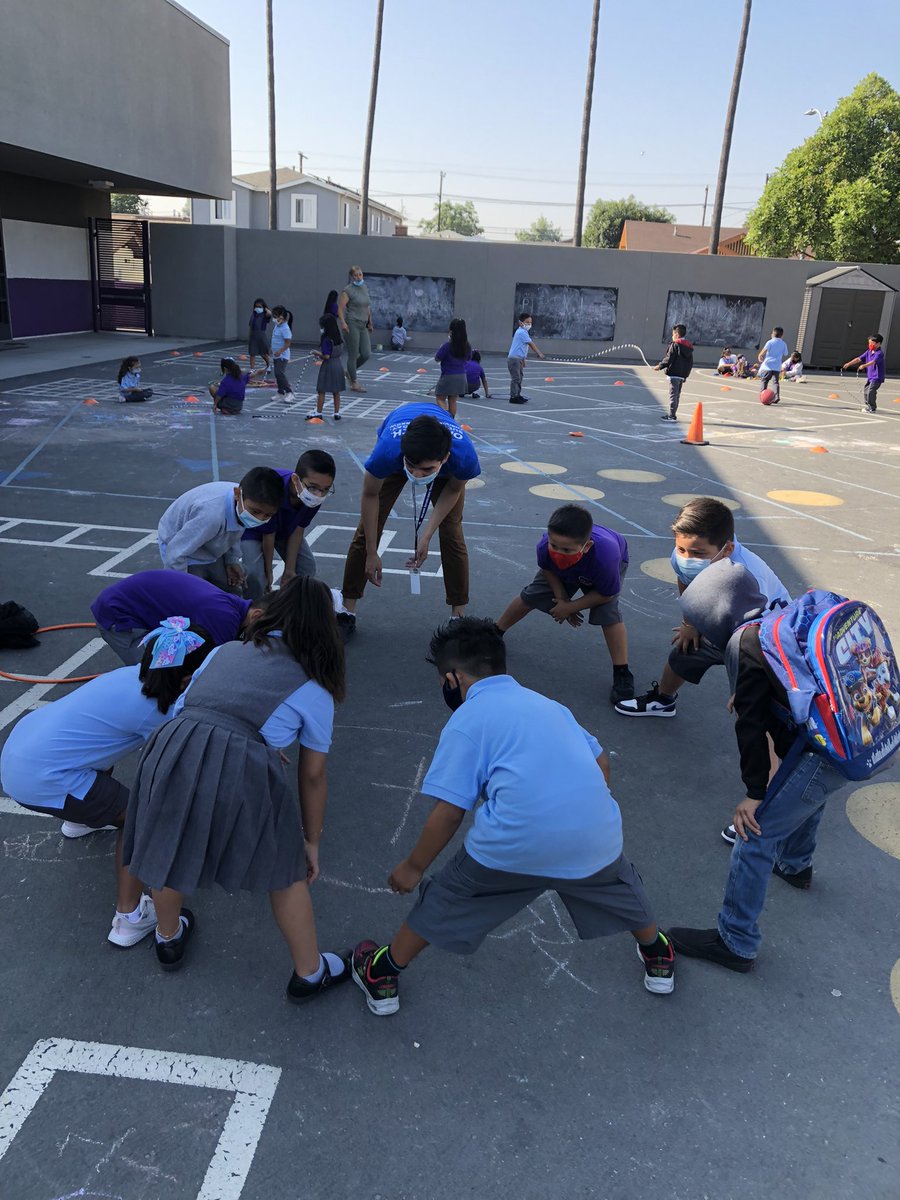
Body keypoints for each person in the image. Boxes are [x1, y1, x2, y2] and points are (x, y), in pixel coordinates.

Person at [350, 618, 675, 1016]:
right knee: (620, 887)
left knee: (447, 896)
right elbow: (601, 761)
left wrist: (413, 866)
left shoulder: (467, 720)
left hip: (511, 846)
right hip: (594, 838)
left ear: (453, 679)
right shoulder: (549, 706)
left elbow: (450, 811)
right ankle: (658, 954)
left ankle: (382, 973)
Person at [122, 578, 351, 996]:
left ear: (273, 612)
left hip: (172, 746)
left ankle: (168, 937)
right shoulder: (314, 685)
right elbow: (313, 774)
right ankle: (309, 972)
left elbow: (189, 707)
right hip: (240, 764)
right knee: (286, 869)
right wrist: (312, 841)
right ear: (325, 628)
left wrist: (246, 737)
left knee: (167, 843)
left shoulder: (226, 649)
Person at [667, 562, 846, 973]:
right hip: (843, 742)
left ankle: (736, 941)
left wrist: (755, 793)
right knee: (806, 794)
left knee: (754, 834)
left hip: (821, 753)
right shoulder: (779, 618)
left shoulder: (744, 645)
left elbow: (749, 727)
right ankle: (796, 866)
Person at [0, 618, 213, 944]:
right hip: (42, 778)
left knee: (99, 749)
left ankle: (80, 818)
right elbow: (176, 769)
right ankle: (129, 918)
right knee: (138, 817)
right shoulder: (161, 711)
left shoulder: (130, 675)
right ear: (186, 679)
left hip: (22, 751)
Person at [615, 496, 790, 721]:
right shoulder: (685, 553)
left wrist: (746, 685)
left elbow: (753, 636)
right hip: (728, 619)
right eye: (681, 549)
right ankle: (663, 700)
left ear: (727, 549)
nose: (688, 558)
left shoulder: (746, 576)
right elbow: (685, 578)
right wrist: (690, 623)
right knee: (685, 650)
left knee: (750, 706)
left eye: (698, 554)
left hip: (765, 639)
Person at [339, 404, 481, 628]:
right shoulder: (388, 451)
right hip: (398, 454)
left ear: (445, 458)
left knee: (452, 532)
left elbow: (453, 489)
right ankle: (347, 610)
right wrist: (372, 552)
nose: (417, 475)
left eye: (426, 470)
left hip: (441, 465)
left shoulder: (464, 456)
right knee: (367, 530)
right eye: (412, 466)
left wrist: (427, 535)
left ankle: (458, 615)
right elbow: (370, 495)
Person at [496, 504, 634, 704]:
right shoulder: (545, 546)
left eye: (566, 549)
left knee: (608, 613)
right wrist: (561, 598)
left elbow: (606, 594)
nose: (558, 552)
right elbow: (547, 568)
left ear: (586, 546)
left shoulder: (605, 556)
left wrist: (570, 607)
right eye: (554, 546)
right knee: (531, 595)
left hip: (603, 568)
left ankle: (622, 671)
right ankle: (494, 632)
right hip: (567, 568)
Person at [91, 570, 259, 665]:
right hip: (119, 613)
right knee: (153, 674)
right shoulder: (224, 619)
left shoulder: (235, 606)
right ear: (258, 615)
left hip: (137, 605)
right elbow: (212, 667)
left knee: (172, 667)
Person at [157, 468, 283, 593]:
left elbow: (234, 529)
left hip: (208, 543)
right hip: (181, 548)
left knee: (233, 589)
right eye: (256, 512)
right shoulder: (211, 516)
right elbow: (175, 553)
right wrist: (180, 589)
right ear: (237, 494)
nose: (259, 519)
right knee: (194, 594)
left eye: (267, 515)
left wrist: (232, 560)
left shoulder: (246, 501)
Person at [241, 450, 337, 599]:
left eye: (325, 489)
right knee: (256, 575)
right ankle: (252, 607)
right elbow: (269, 535)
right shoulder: (276, 489)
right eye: (313, 487)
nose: (319, 494)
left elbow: (298, 529)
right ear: (295, 479)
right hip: (254, 527)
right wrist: (269, 572)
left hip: (283, 528)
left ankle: (289, 605)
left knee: (306, 568)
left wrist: (289, 570)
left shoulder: (314, 496)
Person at [337, 265, 373, 393]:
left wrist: (370, 322)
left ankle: (349, 372)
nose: (358, 277)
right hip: (352, 323)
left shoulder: (364, 287)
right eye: (356, 275)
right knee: (353, 354)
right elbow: (340, 308)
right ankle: (354, 382)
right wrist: (343, 323)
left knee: (366, 353)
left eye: (360, 274)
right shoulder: (348, 290)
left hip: (363, 324)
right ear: (352, 277)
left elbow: (367, 307)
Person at [309, 311, 344, 422]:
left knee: (321, 390)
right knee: (336, 391)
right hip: (338, 364)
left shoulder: (326, 339)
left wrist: (316, 352)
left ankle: (319, 412)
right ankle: (337, 412)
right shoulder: (338, 337)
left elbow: (326, 356)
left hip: (328, 366)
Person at [654, 324, 693, 421]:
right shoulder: (688, 347)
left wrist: (660, 366)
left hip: (674, 374)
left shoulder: (675, 345)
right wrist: (685, 376)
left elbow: (669, 358)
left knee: (673, 395)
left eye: (673, 334)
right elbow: (689, 363)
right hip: (681, 375)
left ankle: (671, 416)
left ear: (677, 334)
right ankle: (673, 414)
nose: (672, 336)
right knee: (676, 396)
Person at [434, 318, 471, 419]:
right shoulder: (467, 346)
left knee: (440, 398)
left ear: (451, 331)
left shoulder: (447, 346)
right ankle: (452, 420)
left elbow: (437, 358)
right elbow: (468, 358)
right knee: (453, 400)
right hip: (461, 376)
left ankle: (446, 418)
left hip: (448, 376)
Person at [507, 312, 545, 405]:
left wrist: (523, 360)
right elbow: (531, 344)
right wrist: (539, 353)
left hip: (519, 359)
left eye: (530, 322)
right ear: (521, 323)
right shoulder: (521, 332)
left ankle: (517, 394)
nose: (529, 324)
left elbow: (522, 348)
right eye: (527, 322)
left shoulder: (523, 332)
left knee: (520, 378)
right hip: (514, 359)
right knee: (516, 378)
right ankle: (513, 397)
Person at [844, 333, 885, 414]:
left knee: (871, 391)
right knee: (866, 391)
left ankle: (872, 408)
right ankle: (868, 405)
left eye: (872, 343)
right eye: (869, 343)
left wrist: (864, 365)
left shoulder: (879, 353)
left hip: (877, 377)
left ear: (878, 343)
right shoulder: (868, 352)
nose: (870, 345)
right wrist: (849, 363)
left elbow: (873, 362)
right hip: (870, 377)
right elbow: (858, 359)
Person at [756, 325, 790, 404]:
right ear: (782, 335)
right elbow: (786, 353)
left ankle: (762, 395)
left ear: (773, 334)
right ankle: (776, 396)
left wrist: (760, 356)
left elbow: (763, 352)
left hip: (768, 366)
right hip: (777, 366)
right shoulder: (783, 344)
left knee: (764, 380)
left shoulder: (770, 342)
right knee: (775, 382)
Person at [270, 305, 294, 400]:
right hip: (276, 354)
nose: (274, 318)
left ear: (281, 317)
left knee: (279, 373)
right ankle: (280, 392)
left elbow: (288, 343)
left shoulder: (285, 328)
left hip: (282, 356)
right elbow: (275, 339)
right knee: (277, 374)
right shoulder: (277, 326)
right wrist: (271, 349)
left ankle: (289, 392)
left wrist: (280, 351)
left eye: (275, 316)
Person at [247, 298, 272, 371]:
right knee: (252, 353)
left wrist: (265, 308)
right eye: (256, 306)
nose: (257, 308)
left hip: (261, 335)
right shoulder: (253, 314)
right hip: (253, 335)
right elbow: (250, 326)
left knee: (263, 353)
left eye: (259, 307)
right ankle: (252, 369)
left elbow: (269, 314)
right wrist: (249, 336)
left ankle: (268, 365)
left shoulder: (264, 315)